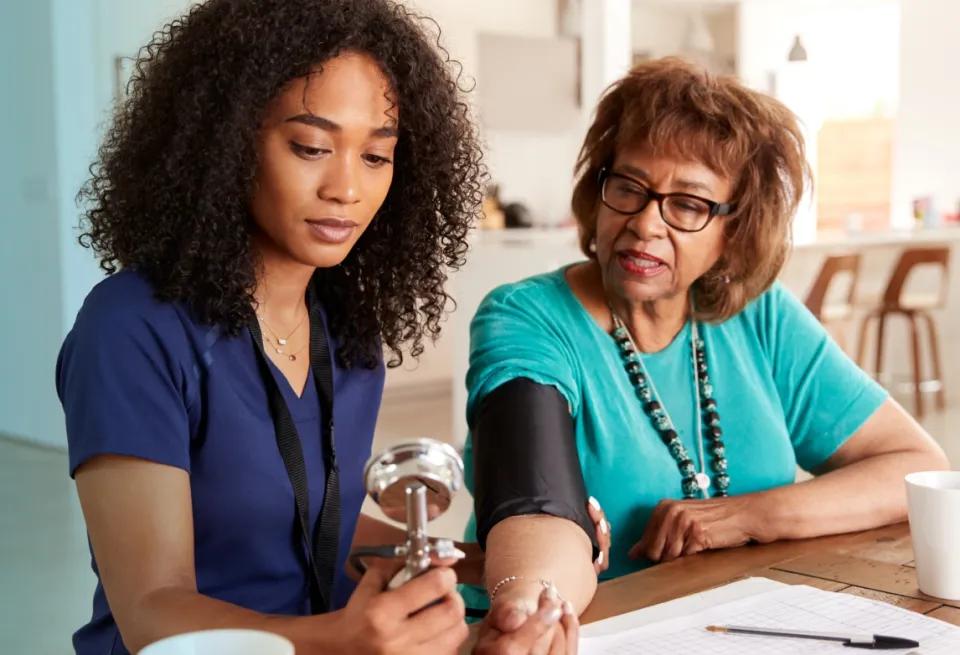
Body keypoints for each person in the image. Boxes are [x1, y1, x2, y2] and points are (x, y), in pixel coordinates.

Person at [57, 1, 586, 653]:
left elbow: (308, 524)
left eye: (376, 156)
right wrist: (338, 637)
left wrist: (483, 560)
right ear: (224, 143)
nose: (346, 187)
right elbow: (150, 612)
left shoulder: (347, 330)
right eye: (310, 146)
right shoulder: (132, 329)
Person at [465, 57, 950, 637]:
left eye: (688, 205)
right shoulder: (526, 316)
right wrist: (530, 609)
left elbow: (914, 467)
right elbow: (534, 507)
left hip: (732, 624)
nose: (646, 223)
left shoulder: (761, 317)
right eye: (628, 187)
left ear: (734, 231)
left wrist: (745, 516)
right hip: (585, 634)